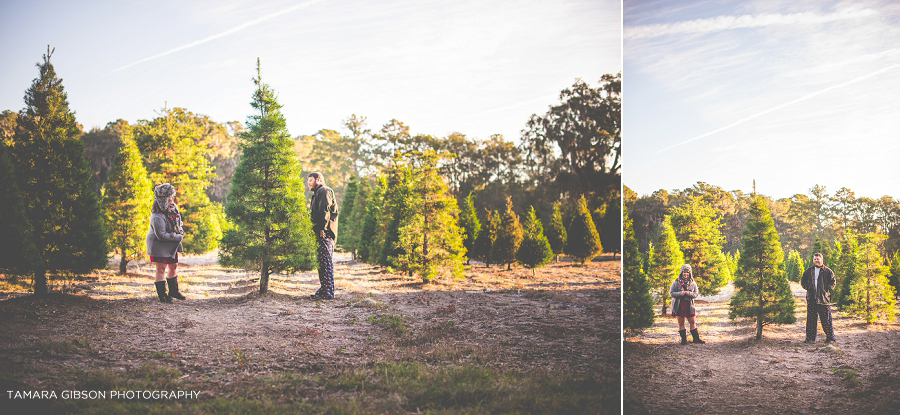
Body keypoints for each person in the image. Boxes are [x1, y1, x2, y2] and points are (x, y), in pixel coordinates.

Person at [146, 183, 186, 303]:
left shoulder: (173, 209)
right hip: (159, 244)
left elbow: (178, 223)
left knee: (173, 266)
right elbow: (161, 235)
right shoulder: (157, 216)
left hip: (171, 243)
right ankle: (162, 295)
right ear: (163, 199)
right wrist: (177, 237)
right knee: (161, 269)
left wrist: (181, 231)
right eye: (169, 197)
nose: (172, 199)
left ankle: (173, 291)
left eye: (172, 197)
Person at [307, 172, 338, 300]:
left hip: (325, 233)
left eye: (310, 180)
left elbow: (325, 210)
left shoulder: (324, 191)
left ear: (318, 179)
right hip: (320, 232)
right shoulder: (317, 194)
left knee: (326, 263)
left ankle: (328, 292)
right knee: (322, 263)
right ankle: (324, 289)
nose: (308, 183)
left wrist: (322, 230)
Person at [800, 252, 836, 344]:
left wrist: (826, 289)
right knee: (811, 320)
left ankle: (830, 338)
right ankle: (810, 338)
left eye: (818, 259)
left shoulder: (828, 271)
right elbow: (803, 281)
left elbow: (833, 282)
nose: (816, 260)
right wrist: (808, 287)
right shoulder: (809, 271)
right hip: (812, 299)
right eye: (815, 259)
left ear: (821, 260)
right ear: (813, 260)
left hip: (823, 300)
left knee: (826, 320)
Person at [671, 264, 704, 345]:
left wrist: (688, 293)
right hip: (679, 305)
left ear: (690, 273)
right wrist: (681, 293)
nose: (686, 274)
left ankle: (696, 339)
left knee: (692, 322)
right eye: (684, 272)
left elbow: (696, 294)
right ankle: (684, 340)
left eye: (687, 272)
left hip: (689, 305)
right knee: (680, 323)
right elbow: (672, 293)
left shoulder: (693, 283)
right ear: (681, 272)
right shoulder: (676, 282)